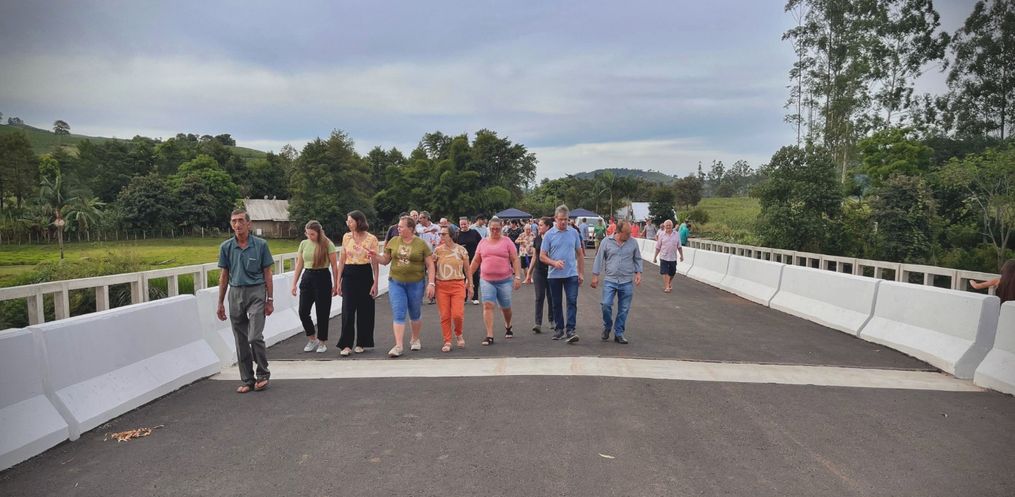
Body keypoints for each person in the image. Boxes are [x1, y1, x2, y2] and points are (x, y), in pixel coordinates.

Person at [216, 208, 274, 393]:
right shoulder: (226, 247)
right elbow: (224, 275)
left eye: (241, 220)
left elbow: (268, 273)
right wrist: (220, 302)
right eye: (234, 221)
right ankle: (247, 379)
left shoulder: (261, 245)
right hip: (235, 293)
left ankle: (263, 373)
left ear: (249, 224)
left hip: (256, 292)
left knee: (254, 336)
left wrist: (270, 299)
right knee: (240, 340)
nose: (237, 224)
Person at [377, 216, 435, 357]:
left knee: (415, 312)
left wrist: (431, 283)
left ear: (410, 228)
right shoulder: (393, 241)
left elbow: (430, 264)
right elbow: (385, 260)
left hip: (416, 283)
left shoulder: (421, 244)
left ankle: (415, 338)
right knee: (399, 312)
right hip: (396, 282)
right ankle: (398, 345)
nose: (398, 228)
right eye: (398, 226)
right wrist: (374, 256)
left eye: (401, 226)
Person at [470, 217, 523, 345]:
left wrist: (517, 276)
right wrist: (469, 277)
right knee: (488, 305)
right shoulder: (483, 242)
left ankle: (508, 325)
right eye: (492, 229)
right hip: (486, 280)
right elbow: (476, 260)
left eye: (497, 229)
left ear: (501, 228)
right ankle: (489, 335)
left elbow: (515, 259)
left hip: (504, 280)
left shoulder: (507, 241)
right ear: (489, 228)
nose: (495, 231)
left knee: (506, 307)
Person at [291, 220, 339, 354]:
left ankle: (322, 341)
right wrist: (294, 283)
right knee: (303, 311)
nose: (309, 236)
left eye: (312, 234)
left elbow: (334, 266)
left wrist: (336, 284)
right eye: (307, 234)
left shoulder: (328, 244)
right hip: (307, 277)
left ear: (318, 233)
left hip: (322, 277)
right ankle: (312, 338)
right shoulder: (303, 244)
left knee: (322, 312)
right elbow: (299, 264)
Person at [591, 221, 642, 344]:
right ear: (618, 232)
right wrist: (595, 276)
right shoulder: (606, 242)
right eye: (627, 233)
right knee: (606, 305)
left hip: (626, 280)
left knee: (624, 309)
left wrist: (638, 273)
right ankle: (607, 326)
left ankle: (619, 333)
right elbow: (599, 258)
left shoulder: (633, 242)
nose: (629, 235)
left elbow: (637, 258)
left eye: (630, 233)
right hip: (610, 279)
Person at [336, 210, 379, 356]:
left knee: (365, 310)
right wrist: (338, 281)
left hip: (365, 273)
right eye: (347, 221)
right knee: (348, 310)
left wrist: (375, 283)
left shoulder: (371, 239)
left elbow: (375, 263)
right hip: (349, 274)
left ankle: (362, 342)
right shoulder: (346, 237)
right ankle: (346, 344)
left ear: (358, 221)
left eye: (350, 221)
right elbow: (342, 260)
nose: (348, 223)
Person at [540, 205, 584, 343]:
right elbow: (542, 256)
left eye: (566, 219)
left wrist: (581, 273)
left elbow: (580, 254)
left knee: (572, 301)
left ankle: (570, 330)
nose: (564, 222)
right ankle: (559, 329)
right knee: (556, 303)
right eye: (561, 219)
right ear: (555, 218)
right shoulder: (549, 235)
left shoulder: (574, 233)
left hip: (571, 274)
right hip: (554, 275)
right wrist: (554, 263)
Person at [433, 226, 473, 351]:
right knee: (444, 315)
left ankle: (459, 333)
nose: (441, 236)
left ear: (451, 235)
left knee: (457, 315)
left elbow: (467, 269)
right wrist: (431, 284)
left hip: (458, 284)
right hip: (442, 285)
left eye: (443, 234)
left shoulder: (461, 250)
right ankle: (447, 341)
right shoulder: (437, 250)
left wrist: (470, 285)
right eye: (440, 234)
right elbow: (432, 269)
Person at [524, 217, 554, 333]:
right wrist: (529, 274)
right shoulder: (537, 239)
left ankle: (552, 319)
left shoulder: (554, 238)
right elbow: (534, 257)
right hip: (539, 271)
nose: (538, 227)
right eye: (539, 225)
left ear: (548, 226)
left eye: (541, 225)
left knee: (551, 296)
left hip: (551, 271)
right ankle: (538, 323)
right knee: (539, 297)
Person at [457, 216, 484, 305]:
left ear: (468, 223)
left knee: (475, 277)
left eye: (465, 224)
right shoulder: (457, 234)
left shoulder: (474, 232)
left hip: (474, 258)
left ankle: (475, 297)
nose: (463, 226)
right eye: (461, 224)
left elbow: (481, 243)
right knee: (463, 278)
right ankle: (463, 297)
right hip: (461, 260)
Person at [653, 220, 684, 293]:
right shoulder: (661, 234)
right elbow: (658, 247)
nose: (668, 226)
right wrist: (655, 257)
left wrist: (681, 256)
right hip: (664, 256)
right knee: (665, 272)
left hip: (673, 257)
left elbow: (679, 246)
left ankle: (668, 283)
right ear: (664, 226)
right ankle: (667, 287)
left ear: (672, 226)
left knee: (672, 272)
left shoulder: (676, 234)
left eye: (670, 225)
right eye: (667, 225)